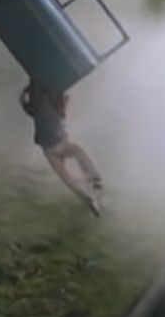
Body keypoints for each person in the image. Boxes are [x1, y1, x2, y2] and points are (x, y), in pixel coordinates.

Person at [20, 81, 104, 216]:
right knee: (79, 152)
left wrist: (24, 93)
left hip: (49, 150)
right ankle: (94, 180)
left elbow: (24, 103)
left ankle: (87, 198)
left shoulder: (34, 107)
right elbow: (63, 109)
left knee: (66, 178)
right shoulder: (56, 102)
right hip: (62, 144)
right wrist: (63, 99)